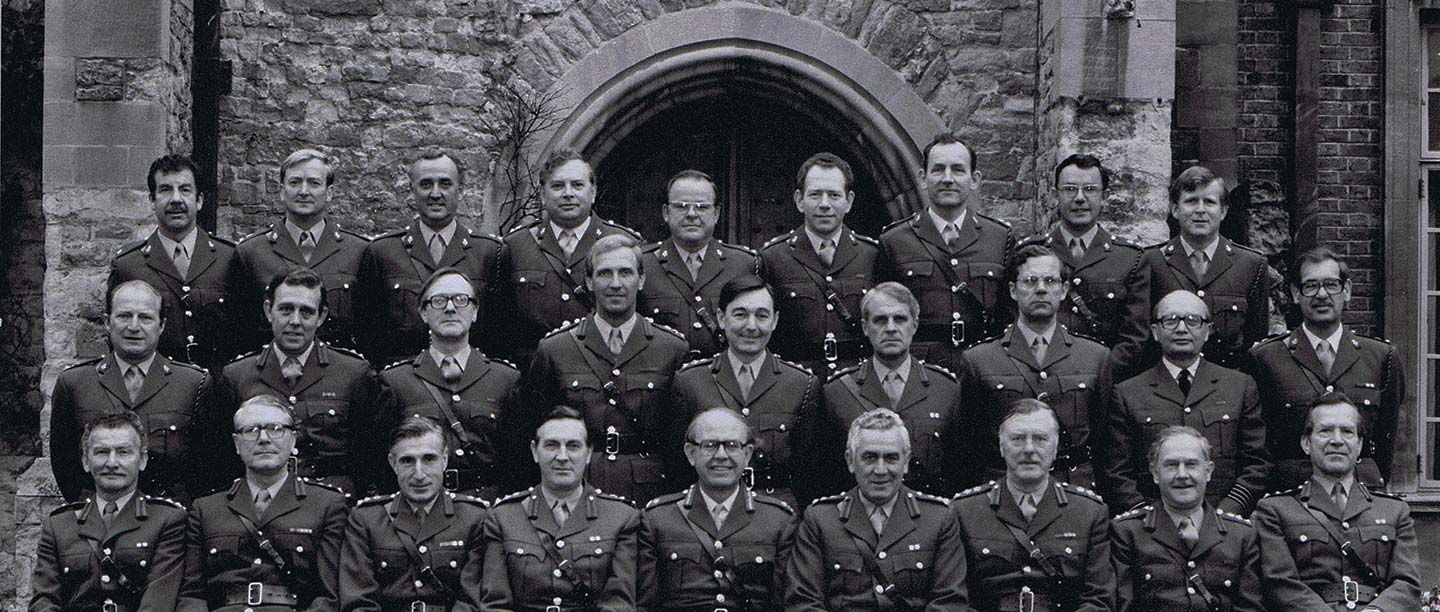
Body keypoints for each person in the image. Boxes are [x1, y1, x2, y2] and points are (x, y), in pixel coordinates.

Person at [523, 234, 690, 505]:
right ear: (589, 281)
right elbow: (534, 430)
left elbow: (678, 441)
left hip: (649, 492)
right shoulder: (555, 349)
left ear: (641, 279)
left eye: (625, 273)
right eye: (604, 274)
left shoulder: (671, 349)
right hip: (578, 489)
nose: (615, 284)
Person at [955, 245, 1113, 490]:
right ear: (1013, 290)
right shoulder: (979, 360)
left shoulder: (1095, 357)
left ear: (1064, 290)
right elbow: (967, 446)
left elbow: (1103, 440)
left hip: (1073, 490)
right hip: (1001, 491)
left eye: (1050, 281)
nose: (1041, 289)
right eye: (1030, 281)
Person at [1248, 246, 1405, 490]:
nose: (1321, 295)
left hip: (1361, 494)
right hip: (1292, 496)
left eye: (1331, 285)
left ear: (1348, 291)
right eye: (1310, 286)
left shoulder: (1381, 357)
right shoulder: (1265, 358)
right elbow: (1259, 446)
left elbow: (1386, 443)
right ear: (1295, 294)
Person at [213, 268, 381, 495]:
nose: (295, 321)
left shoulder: (354, 374)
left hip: (333, 501)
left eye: (306, 312)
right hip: (260, 502)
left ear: (321, 316)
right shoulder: (237, 376)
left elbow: (367, 459)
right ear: (268, 311)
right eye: (285, 309)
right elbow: (222, 460)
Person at [785, 408, 968, 612]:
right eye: (869, 458)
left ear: (906, 462)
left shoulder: (938, 518)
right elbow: (803, 602)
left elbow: (949, 602)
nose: (880, 470)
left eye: (891, 458)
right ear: (850, 461)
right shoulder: (821, 519)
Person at [1105, 290, 1269, 516]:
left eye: (1193, 320)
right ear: (1155, 331)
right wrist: (1148, 518)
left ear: (1208, 331)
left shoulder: (1240, 387)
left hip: (1225, 525)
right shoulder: (1128, 393)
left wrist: (1226, 513)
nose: (1182, 329)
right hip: (1152, 529)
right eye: (1170, 320)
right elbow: (1117, 471)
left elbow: (1257, 464)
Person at [1252, 393, 1421, 612]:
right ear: (1306, 443)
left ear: (1359, 444)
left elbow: (1408, 584)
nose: (1337, 440)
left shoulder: (1394, 511)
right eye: (1325, 431)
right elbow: (1280, 584)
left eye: (1347, 432)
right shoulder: (1276, 511)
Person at [180, 395, 349, 612]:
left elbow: (329, 596)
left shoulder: (326, 505)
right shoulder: (206, 509)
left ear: (293, 439)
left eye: (275, 428)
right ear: (236, 443)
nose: (264, 439)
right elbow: (191, 595)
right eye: (251, 430)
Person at [50, 280, 211, 503]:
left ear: (161, 325)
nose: (134, 326)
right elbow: (65, 466)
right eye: (124, 316)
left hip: (172, 522)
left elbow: (208, 468)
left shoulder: (194, 383)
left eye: (145, 317)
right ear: (107, 322)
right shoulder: (75, 383)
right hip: (99, 521)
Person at [670, 275, 822, 509]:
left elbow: (808, 471)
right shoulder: (690, 382)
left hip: (777, 512)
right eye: (740, 314)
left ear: (775, 321)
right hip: (708, 509)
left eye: (762, 315)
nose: (751, 326)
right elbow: (679, 465)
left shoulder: (802, 384)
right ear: (721, 318)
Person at [375, 268, 525, 501]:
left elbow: (517, 464)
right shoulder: (395, 382)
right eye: (438, 301)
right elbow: (382, 465)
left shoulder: (505, 379)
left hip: (488, 509)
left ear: (475, 312)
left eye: (461, 300)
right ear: (423, 313)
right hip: (420, 505)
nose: (450, 308)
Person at [952, 400, 1115, 612]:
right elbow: (956, 599)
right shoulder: (964, 511)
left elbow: (1099, 599)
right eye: (1018, 439)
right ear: (1001, 446)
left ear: (1055, 447)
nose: (1029, 449)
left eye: (1040, 439)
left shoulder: (1089, 512)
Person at [478, 406, 641, 611]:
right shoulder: (503, 518)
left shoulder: (621, 518)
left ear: (588, 453)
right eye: (551, 446)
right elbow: (495, 605)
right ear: (534, 451)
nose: (562, 457)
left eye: (573, 446)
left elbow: (619, 604)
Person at [878, 132, 1016, 372]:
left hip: (984, 367)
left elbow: (1010, 316)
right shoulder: (895, 240)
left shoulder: (1000, 238)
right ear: (923, 177)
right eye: (938, 169)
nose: (948, 178)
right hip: (920, 370)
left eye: (958, 170)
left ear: (975, 179)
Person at [494, 149, 641, 366]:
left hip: (601, 374)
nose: (568, 193)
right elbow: (500, 326)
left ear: (593, 192)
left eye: (577, 185)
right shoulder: (516, 246)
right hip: (534, 376)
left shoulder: (624, 243)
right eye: (557, 186)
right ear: (543, 195)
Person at [356, 150, 503, 368]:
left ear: (460, 190)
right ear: (411, 191)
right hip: (405, 385)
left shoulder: (490, 252)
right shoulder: (382, 252)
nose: (435, 194)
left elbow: (501, 334)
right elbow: (368, 334)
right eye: (426, 185)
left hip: (471, 381)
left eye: (445, 184)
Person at [638, 408, 794, 612]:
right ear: (691, 453)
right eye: (710, 445)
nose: (721, 456)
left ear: (747, 455)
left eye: (732, 445)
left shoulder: (778, 521)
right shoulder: (658, 519)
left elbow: (785, 605)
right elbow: (644, 605)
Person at [30, 410, 188, 612]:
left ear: (142, 460)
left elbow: (158, 603)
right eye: (102, 452)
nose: (112, 463)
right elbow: (43, 601)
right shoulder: (58, 525)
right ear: (86, 461)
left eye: (123, 452)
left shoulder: (167, 520)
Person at [1118, 166, 1269, 374]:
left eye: (1209, 202)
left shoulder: (1251, 264)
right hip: (1164, 386)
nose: (1200, 210)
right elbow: (1140, 337)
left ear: (1223, 211)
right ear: (1174, 209)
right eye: (1191, 201)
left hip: (1226, 390)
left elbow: (1255, 342)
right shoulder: (1149, 261)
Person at [819, 282, 965, 497]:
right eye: (880, 320)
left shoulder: (946, 389)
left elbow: (959, 470)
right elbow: (824, 473)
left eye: (899, 319)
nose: (890, 328)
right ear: (865, 327)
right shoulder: (837, 392)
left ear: (914, 325)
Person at [340, 416, 488, 612]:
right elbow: (359, 602)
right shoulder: (366, 520)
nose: (419, 474)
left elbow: (473, 601)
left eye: (429, 459)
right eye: (408, 461)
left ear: (444, 460)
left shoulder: (474, 518)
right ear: (393, 463)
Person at [1110, 426, 1264, 612]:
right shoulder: (1127, 533)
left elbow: (1250, 608)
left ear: (1208, 471)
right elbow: (1123, 607)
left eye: (1191, 464)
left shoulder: (1241, 535)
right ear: (1155, 473)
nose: (1182, 475)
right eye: (1171, 465)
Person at [230, 149, 370, 351]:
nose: (304, 191)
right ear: (281, 191)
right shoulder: (251, 253)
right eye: (295, 183)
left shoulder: (358, 251)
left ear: (329, 193)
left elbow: (369, 330)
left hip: (338, 374)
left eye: (314, 183)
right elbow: (240, 333)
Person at [108, 153, 237, 372]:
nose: (176, 199)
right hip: (156, 393)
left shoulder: (230, 258)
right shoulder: (129, 265)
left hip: (217, 392)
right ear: (152, 200)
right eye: (166, 190)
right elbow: (117, 340)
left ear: (200, 201)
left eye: (185, 190)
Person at [759, 152, 880, 375]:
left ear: (849, 201)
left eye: (834, 195)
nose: (825, 204)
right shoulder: (773, 258)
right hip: (795, 381)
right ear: (799, 200)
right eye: (815, 195)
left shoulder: (872, 255)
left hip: (857, 381)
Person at [1016, 153, 1146, 354]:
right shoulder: (1028, 254)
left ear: (1104, 197)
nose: (1079, 198)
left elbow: (1135, 339)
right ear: (1054, 195)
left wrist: (1097, 375)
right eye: (1069, 189)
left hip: (1105, 379)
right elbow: (1014, 327)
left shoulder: (1131, 259)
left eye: (1090, 190)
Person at [638, 170, 761, 359]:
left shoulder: (743, 264)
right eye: (681, 206)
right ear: (665, 213)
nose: (692, 214)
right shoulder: (643, 263)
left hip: (720, 382)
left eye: (702, 207)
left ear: (716, 214)